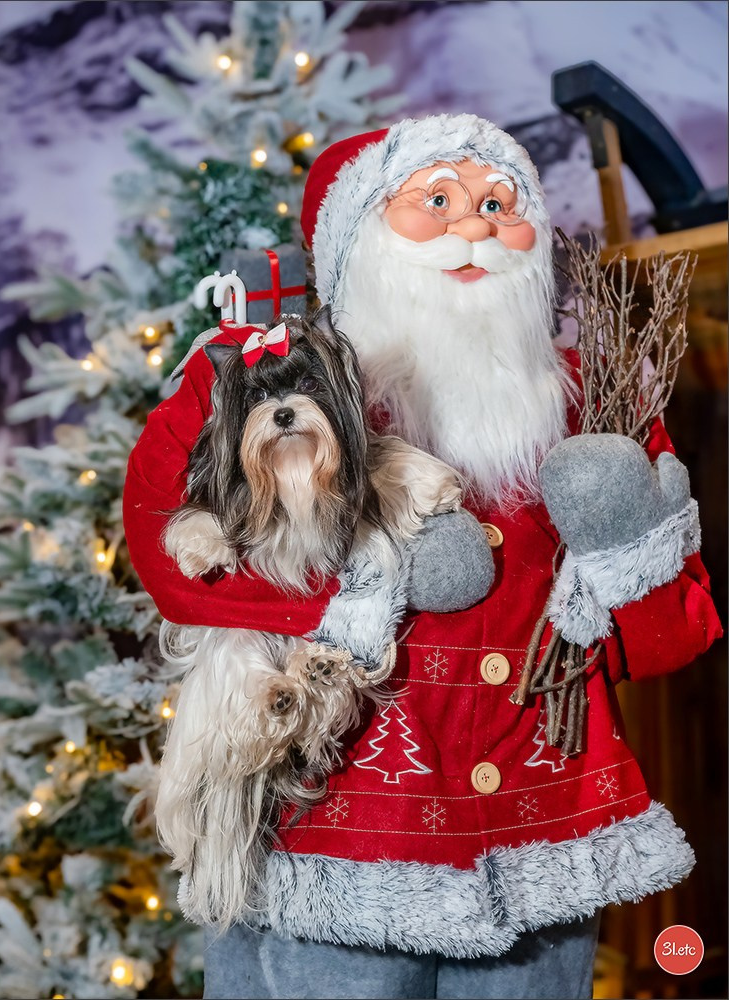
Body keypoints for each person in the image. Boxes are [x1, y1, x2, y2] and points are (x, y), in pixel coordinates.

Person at [123, 114, 722, 1000]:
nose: (472, 225)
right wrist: (347, 598)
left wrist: (623, 547)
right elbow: (172, 557)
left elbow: (672, 640)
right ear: (359, 236)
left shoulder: (598, 394)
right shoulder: (277, 379)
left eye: (496, 203)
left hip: (544, 830)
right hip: (349, 823)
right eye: (435, 202)